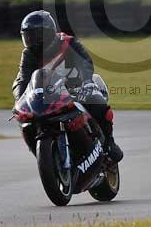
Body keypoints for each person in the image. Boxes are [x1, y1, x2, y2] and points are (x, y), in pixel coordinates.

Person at [12, 10, 123, 162]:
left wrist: (86, 82)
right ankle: (48, 158)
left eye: (36, 36)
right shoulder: (29, 55)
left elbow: (85, 63)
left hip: (77, 88)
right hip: (50, 96)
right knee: (27, 123)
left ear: (49, 33)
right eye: (28, 37)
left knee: (97, 103)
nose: (33, 41)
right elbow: (23, 80)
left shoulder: (68, 43)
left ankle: (109, 143)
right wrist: (20, 101)